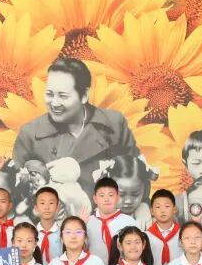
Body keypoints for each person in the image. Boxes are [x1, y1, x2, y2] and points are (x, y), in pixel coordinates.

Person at [12, 57, 139, 197]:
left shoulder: (114, 124)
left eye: (63, 96)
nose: (54, 103)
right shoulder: (29, 135)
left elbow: (136, 177)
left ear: (84, 95)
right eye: (49, 94)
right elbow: (16, 192)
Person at [87, 177, 139, 265]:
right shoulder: (87, 222)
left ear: (118, 197)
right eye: (102, 195)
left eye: (111, 195)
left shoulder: (129, 222)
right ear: (95, 199)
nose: (106, 199)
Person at [145, 188, 182, 265]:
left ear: (174, 209)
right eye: (158, 207)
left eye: (167, 206)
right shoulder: (146, 236)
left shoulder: (183, 235)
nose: (162, 211)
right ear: (151, 211)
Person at [33, 186, 62, 264]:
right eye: (42, 203)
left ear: (57, 207)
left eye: (51, 203)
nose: (46, 207)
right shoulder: (30, 234)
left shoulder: (64, 234)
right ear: (36, 208)